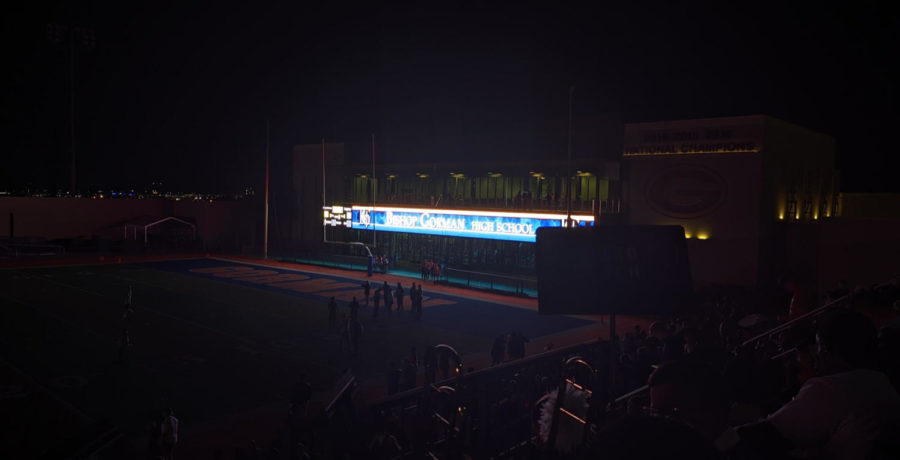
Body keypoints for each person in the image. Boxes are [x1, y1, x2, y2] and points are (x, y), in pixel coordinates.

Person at [727, 309, 900, 459]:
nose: (816, 354)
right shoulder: (883, 384)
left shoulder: (831, 389)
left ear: (830, 349)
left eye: (818, 346)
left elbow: (768, 433)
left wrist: (719, 440)